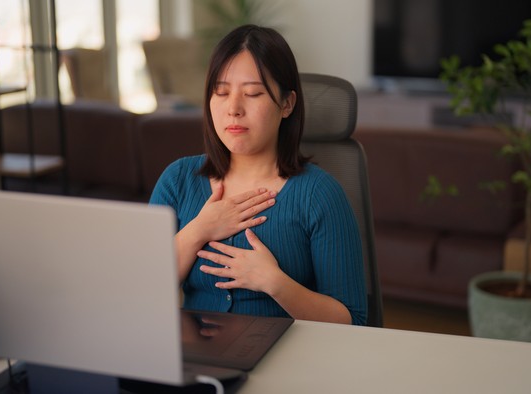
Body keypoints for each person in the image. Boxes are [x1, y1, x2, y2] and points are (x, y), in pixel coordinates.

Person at [149, 25, 367, 325]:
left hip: (291, 362)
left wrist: (275, 283)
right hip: (198, 363)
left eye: (253, 93)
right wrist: (198, 230)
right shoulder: (178, 180)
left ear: (287, 104)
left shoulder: (319, 194)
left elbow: (352, 320)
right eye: (221, 92)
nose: (234, 108)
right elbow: (141, 293)